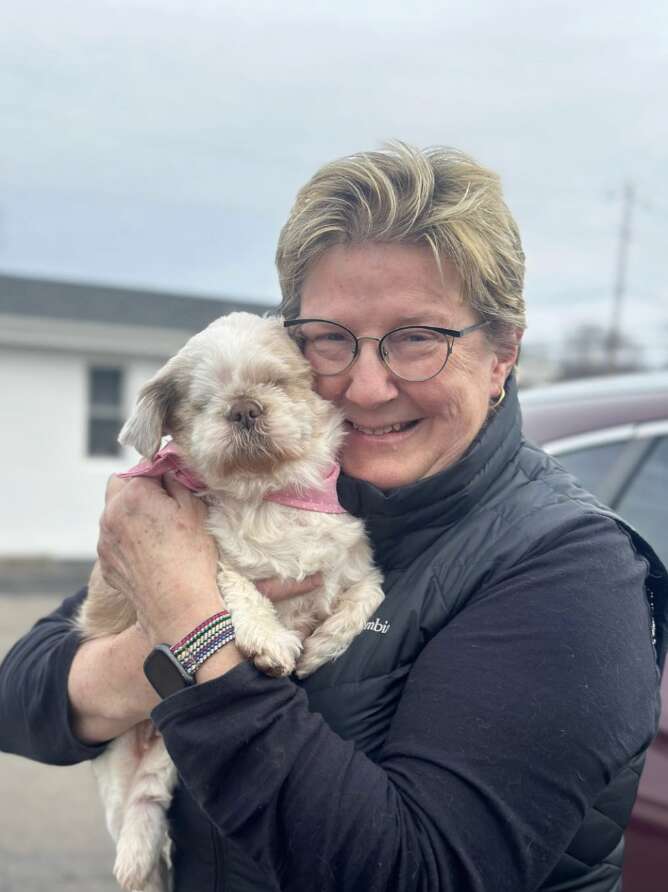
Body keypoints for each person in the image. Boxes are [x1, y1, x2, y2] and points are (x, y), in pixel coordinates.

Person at [1, 143, 667, 892]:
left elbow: (419, 873)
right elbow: (21, 700)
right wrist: (146, 646)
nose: (368, 386)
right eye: (331, 339)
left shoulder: (573, 576)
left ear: (502, 355)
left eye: (418, 338)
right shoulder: (272, 496)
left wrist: (192, 624)